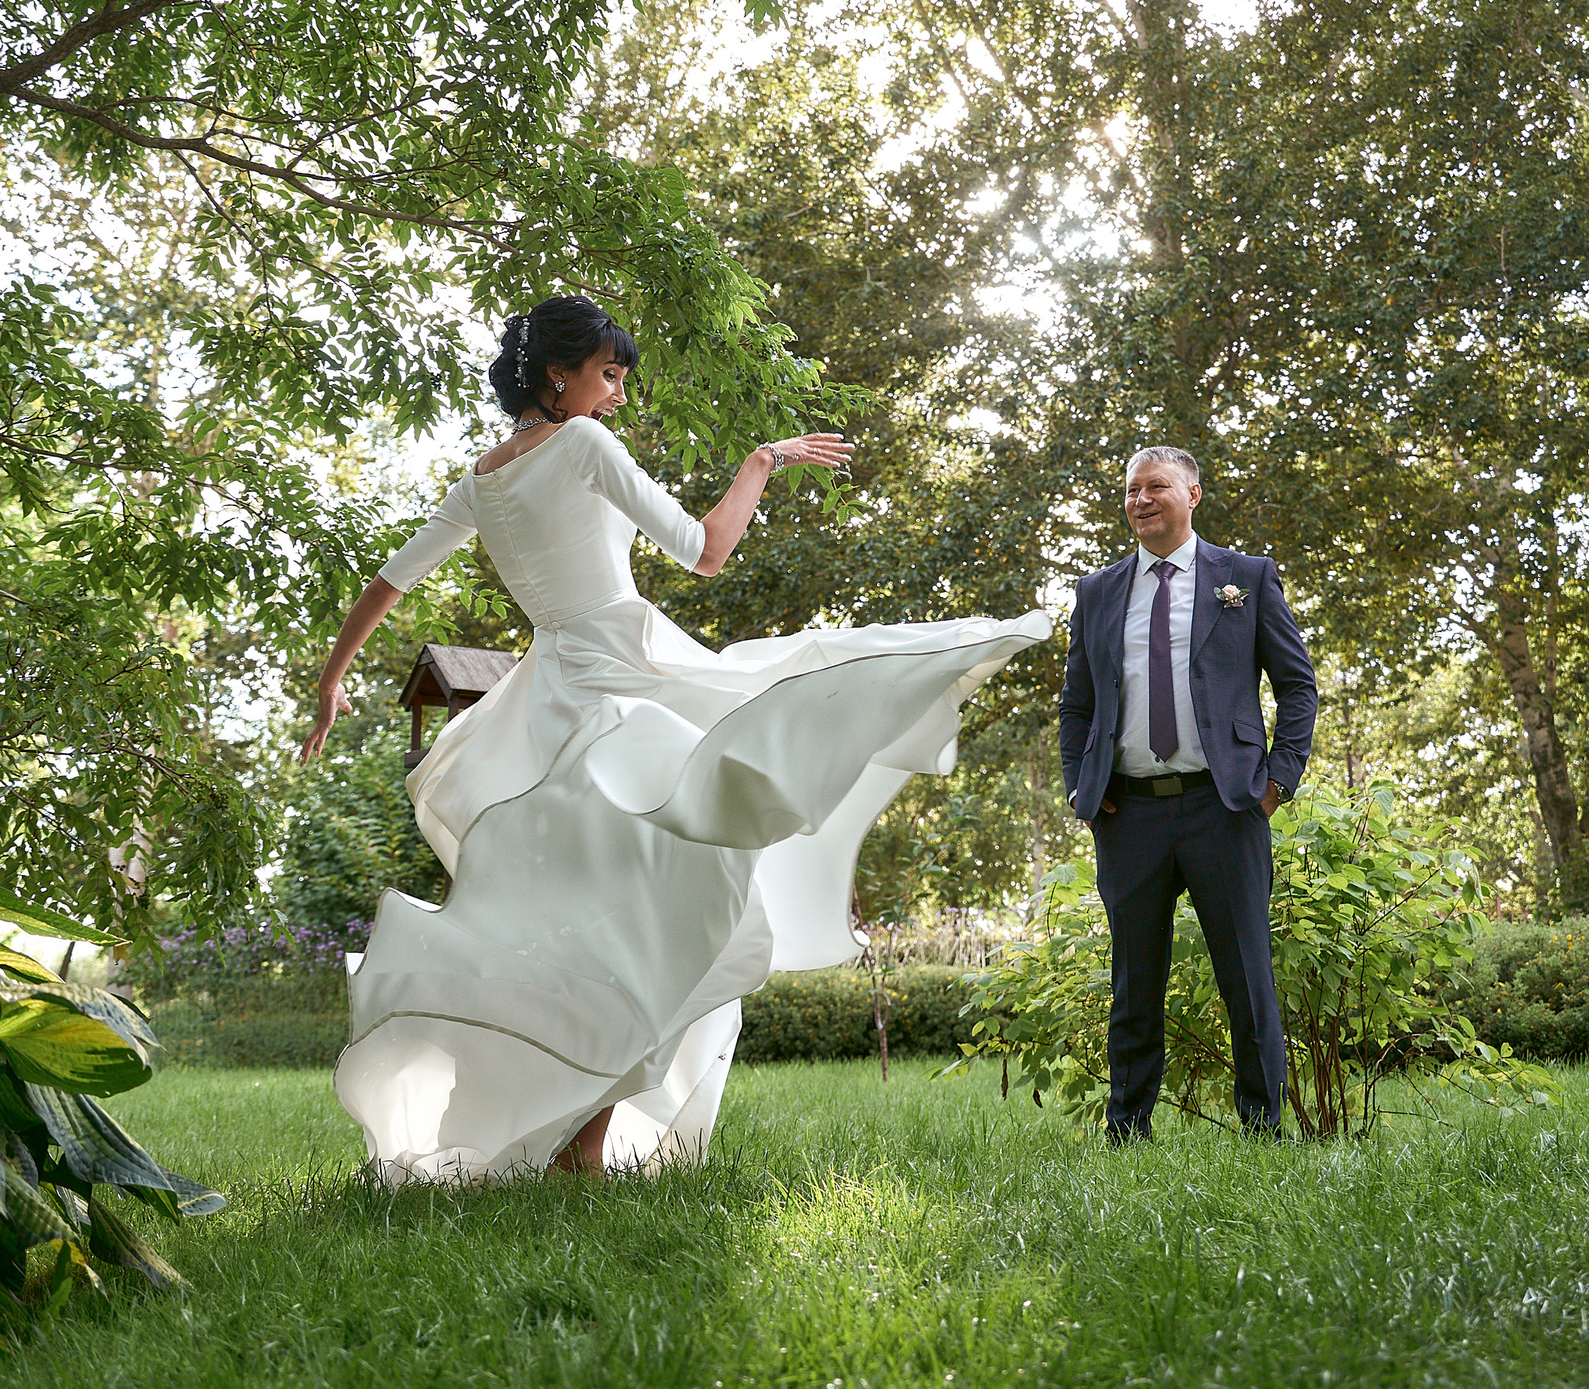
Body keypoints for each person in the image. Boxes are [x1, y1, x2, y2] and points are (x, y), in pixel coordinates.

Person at [300, 295, 1048, 1181]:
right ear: (557, 374)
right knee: (669, 906)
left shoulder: (481, 478)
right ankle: (576, 1142)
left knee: (596, 925)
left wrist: (332, 676)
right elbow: (704, 550)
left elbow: (391, 578)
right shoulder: (581, 445)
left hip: (550, 705)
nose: (616, 395)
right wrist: (761, 463)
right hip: (622, 681)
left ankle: (573, 1140)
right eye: (608, 374)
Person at [1057, 445, 1318, 1141]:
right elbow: (1076, 706)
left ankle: (1264, 1132)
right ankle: (1127, 1133)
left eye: (1157, 486)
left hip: (1226, 807)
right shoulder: (1099, 592)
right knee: (1134, 986)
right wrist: (1082, 788)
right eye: (1131, 489)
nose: (1141, 499)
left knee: (1248, 982)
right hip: (1129, 813)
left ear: (1193, 494)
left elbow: (1298, 687)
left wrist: (1277, 780)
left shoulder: (1248, 579)